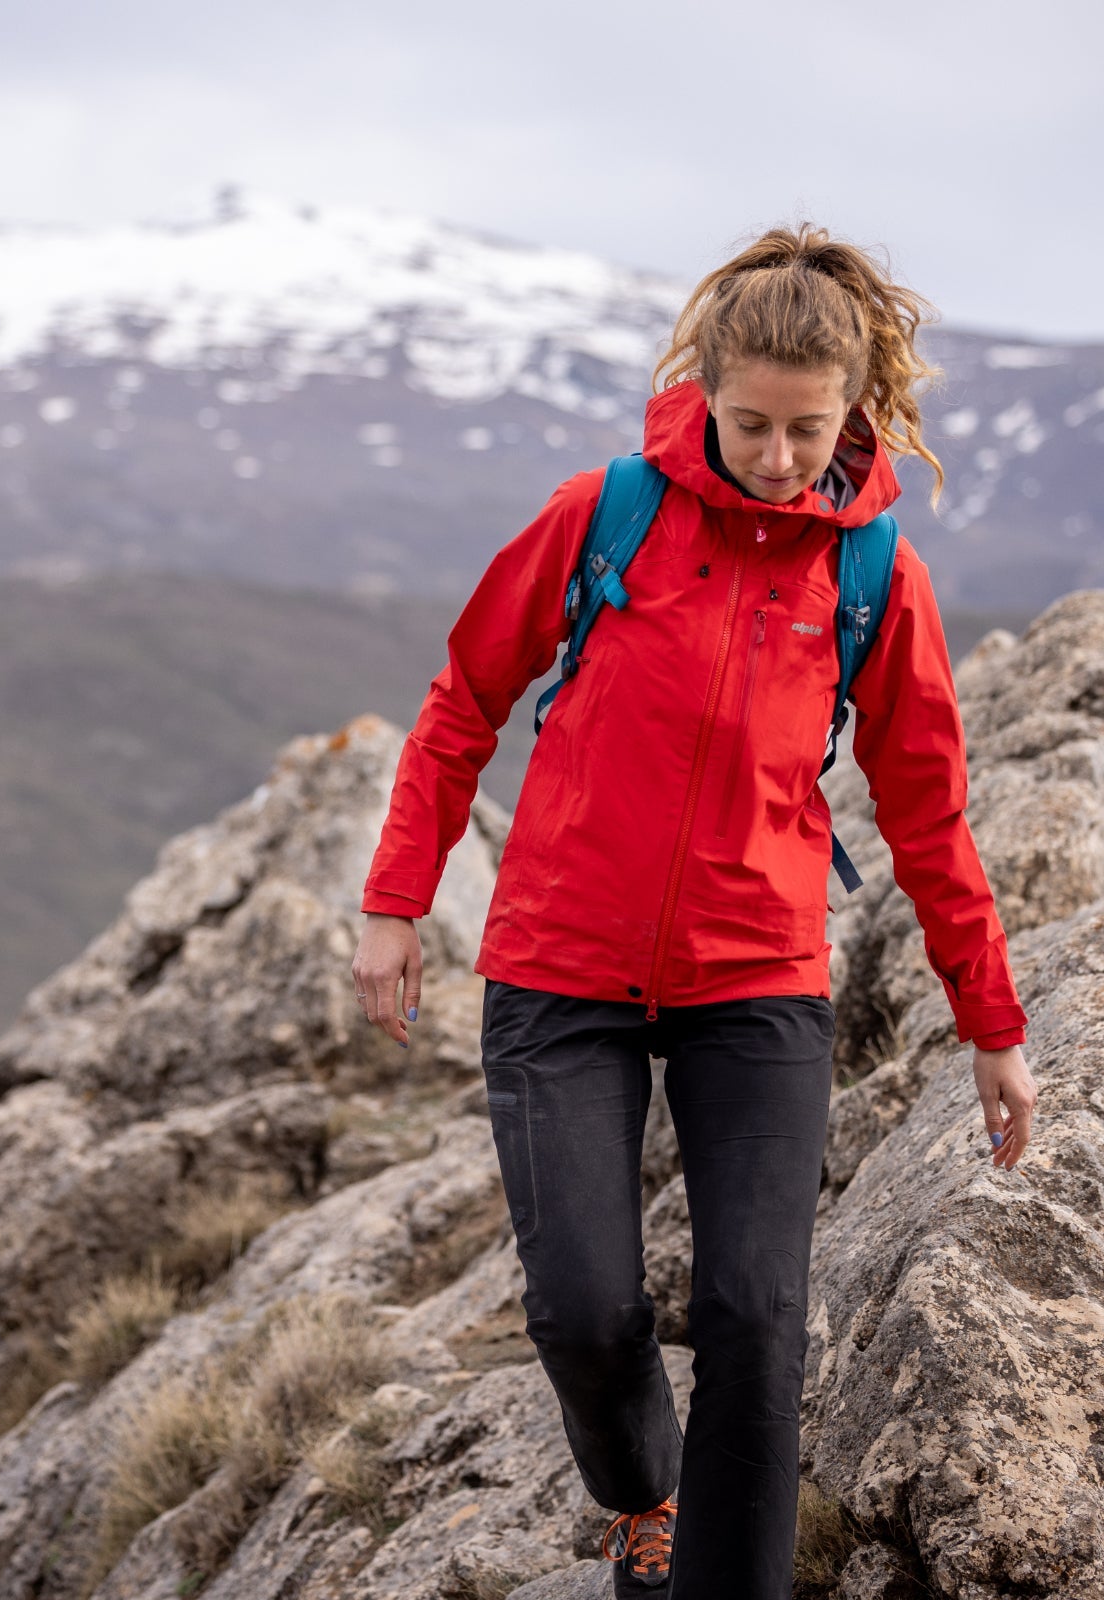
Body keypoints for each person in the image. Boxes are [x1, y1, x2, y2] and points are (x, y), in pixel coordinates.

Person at [350, 222, 1039, 1599]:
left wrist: (993, 1023)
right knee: (587, 1311)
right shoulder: (603, 514)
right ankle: (641, 1495)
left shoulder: (872, 576)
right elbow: (459, 706)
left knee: (756, 1317)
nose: (778, 460)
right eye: (749, 427)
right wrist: (395, 902)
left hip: (758, 981)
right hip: (560, 967)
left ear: (854, 411)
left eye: (806, 430)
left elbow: (929, 816)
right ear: (700, 392)